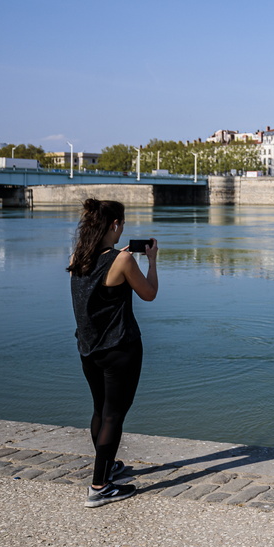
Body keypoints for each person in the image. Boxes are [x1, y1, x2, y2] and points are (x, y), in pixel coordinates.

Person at [67, 199, 158, 507]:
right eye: (122, 223)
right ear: (115, 225)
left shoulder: (78, 257)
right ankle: (100, 486)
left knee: (100, 410)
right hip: (120, 349)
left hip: (88, 350)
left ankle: (107, 467)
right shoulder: (122, 260)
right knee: (114, 415)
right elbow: (149, 294)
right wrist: (152, 261)